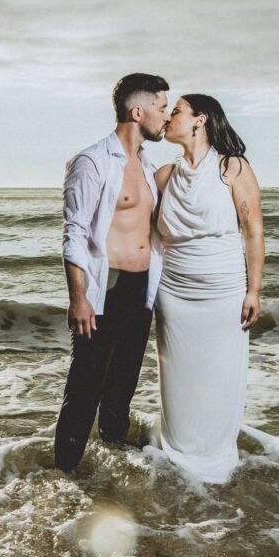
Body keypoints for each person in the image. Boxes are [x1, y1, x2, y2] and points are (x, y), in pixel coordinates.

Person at [54, 73, 170, 473]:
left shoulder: (147, 164)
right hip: (106, 288)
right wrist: (78, 296)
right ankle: (65, 473)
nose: (166, 116)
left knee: (122, 385)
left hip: (141, 290)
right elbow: (75, 232)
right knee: (85, 386)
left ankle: (115, 467)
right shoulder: (92, 161)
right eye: (161, 107)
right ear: (137, 111)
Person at [151, 94, 264, 484]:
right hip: (173, 292)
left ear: (199, 120)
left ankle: (216, 461)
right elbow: (146, 237)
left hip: (223, 290)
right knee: (177, 381)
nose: (167, 118)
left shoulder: (232, 168)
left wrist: (254, 290)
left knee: (219, 376)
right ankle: (177, 457)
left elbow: (253, 231)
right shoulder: (164, 175)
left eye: (176, 111)